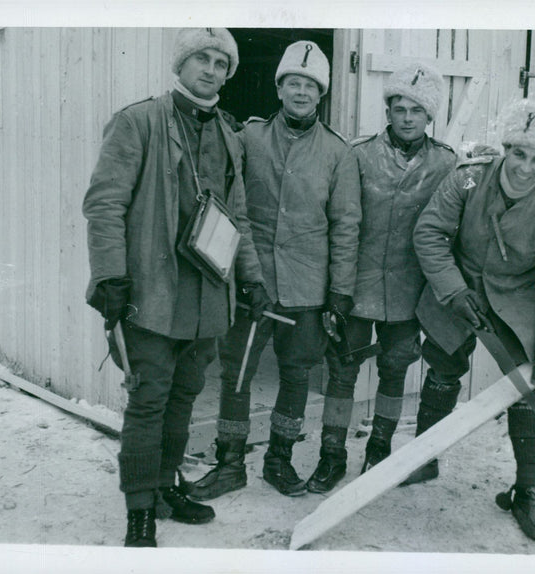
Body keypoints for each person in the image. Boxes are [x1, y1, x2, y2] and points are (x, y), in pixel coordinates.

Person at [83, 28, 268, 547]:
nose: (211, 70)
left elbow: (240, 218)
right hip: (152, 293)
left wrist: (251, 277)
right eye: (201, 59)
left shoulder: (231, 137)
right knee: (148, 399)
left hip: (209, 295)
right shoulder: (137, 122)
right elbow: (104, 205)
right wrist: (110, 276)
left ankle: (166, 486)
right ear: (181, 64)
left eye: (220, 64)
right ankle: (140, 509)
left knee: (184, 397)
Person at [186, 40, 361, 500]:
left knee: (297, 374)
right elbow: (225, 200)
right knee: (237, 373)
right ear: (279, 87)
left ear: (321, 94)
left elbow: (346, 227)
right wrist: (239, 272)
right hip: (251, 280)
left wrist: (340, 293)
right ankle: (229, 464)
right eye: (293, 83)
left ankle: (279, 460)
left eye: (310, 86)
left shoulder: (338, 153)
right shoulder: (249, 138)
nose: (301, 92)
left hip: (309, 286)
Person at [405, 99, 535, 543]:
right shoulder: (468, 178)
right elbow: (429, 232)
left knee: (528, 385)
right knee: (443, 364)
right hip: (459, 285)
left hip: (517, 297)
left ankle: (528, 492)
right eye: (519, 154)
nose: (526, 168)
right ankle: (423, 457)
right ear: (506, 148)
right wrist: (452, 290)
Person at [303, 64, 456, 494]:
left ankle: (379, 450)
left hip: (409, 293)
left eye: (417, 111)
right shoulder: (359, 154)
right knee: (342, 369)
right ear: (388, 111)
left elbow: (447, 230)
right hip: (357, 285)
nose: (407, 118)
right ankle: (331, 455)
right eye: (399, 108)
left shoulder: (446, 162)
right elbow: (344, 225)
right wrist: (339, 290)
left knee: (394, 370)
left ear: (430, 117)